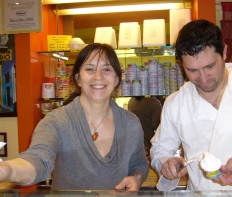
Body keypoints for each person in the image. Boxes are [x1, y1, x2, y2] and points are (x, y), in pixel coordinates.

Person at [0, 43, 149, 191]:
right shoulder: (56, 121)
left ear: (116, 79)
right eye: (90, 69)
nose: (98, 76)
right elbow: (39, 159)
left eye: (106, 69)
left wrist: (137, 177)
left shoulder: (131, 122)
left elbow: (139, 164)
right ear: (78, 78)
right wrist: (7, 170)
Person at [150, 19, 232, 191]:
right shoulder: (176, 103)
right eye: (192, 70)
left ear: (224, 52)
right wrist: (166, 163)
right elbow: (160, 149)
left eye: (210, 66)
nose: (203, 79)